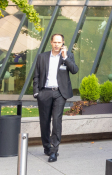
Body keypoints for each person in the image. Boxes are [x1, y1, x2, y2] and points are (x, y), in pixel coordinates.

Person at [32, 33, 78, 162]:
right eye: (55, 42)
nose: (57, 45)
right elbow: (36, 75)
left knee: (57, 121)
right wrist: (37, 92)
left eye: (60, 42)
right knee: (44, 121)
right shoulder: (42, 57)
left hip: (59, 93)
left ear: (63, 43)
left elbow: (74, 70)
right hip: (44, 92)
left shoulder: (68, 56)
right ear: (51, 43)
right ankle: (46, 147)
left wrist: (65, 57)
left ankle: (54, 150)